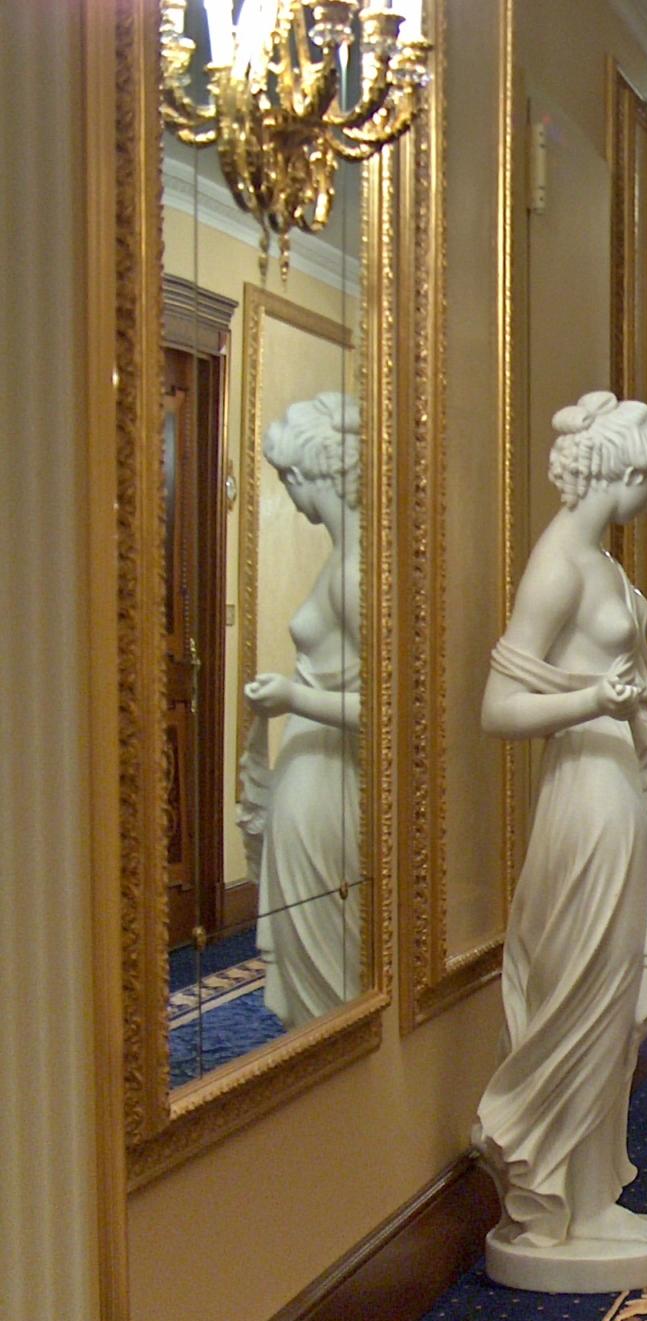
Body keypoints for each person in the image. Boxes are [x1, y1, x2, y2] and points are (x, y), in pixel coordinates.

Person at [474, 391, 647, 1277]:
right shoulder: (559, 562)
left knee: (611, 999)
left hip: (622, 790)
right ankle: (553, 1193)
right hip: (585, 796)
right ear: (619, 470)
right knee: (585, 989)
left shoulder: (599, 557)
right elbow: (498, 710)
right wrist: (590, 699)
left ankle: (594, 1198)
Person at [242, 391, 363, 1032]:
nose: (289, 494)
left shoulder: (356, 572)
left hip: (330, 786)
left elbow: (391, 709)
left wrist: (294, 697)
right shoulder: (344, 562)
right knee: (315, 957)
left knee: (332, 971)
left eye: (290, 477)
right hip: (313, 778)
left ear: (320, 473)